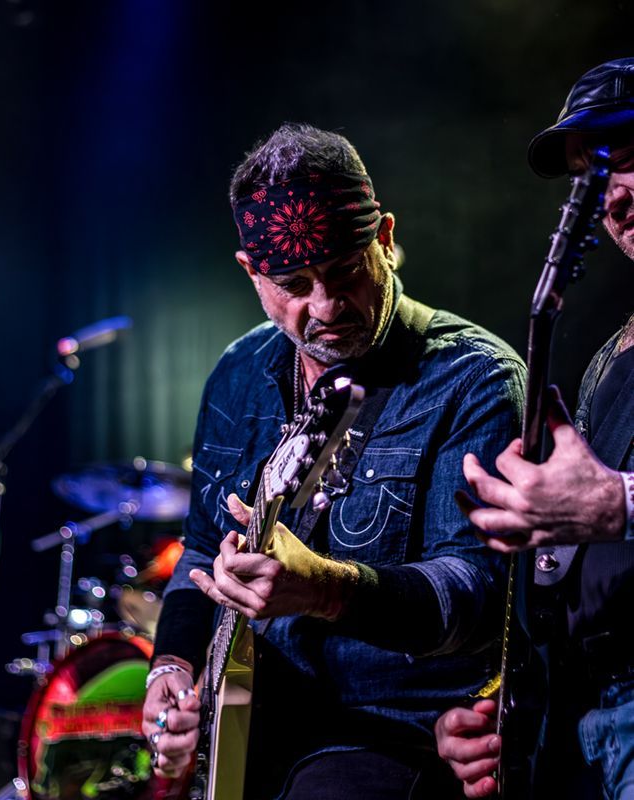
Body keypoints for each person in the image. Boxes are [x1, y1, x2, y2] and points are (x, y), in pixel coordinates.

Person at [141, 122, 526, 799]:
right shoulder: (238, 374)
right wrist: (171, 666)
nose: (325, 305)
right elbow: (200, 549)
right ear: (251, 272)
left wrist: (325, 589)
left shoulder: (475, 379)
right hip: (254, 730)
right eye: (293, 283)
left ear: (385, 239)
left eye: (345, 271)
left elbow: (479, 596)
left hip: (394, 736)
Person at [435, 58, 634, 800]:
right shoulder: (612, 358)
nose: (611, 198)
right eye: (589, 176)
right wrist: (504, 702)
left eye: (625, 158)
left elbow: (611, 507)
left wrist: (618, 502)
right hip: (588, 722)